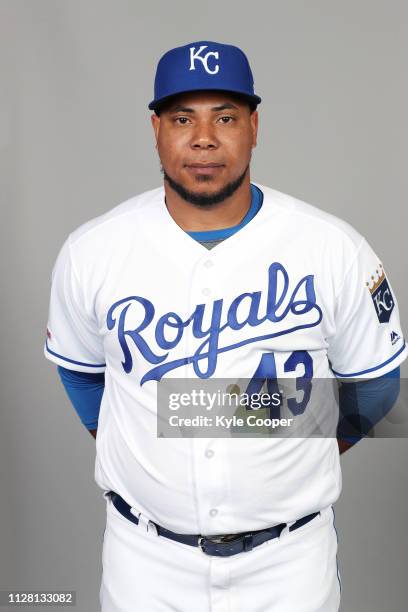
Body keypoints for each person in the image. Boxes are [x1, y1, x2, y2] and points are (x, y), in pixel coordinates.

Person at [43, 41, 407, 612]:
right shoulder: (93, 250)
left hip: (289, 564)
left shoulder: (331, 246)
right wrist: (152, 446)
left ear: (255, 127)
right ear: (156, 127)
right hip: (145, 562)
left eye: (226, 117)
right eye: (183, 117)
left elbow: (380, 387)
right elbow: (84, 376)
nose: (204, 138)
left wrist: (284, 447)